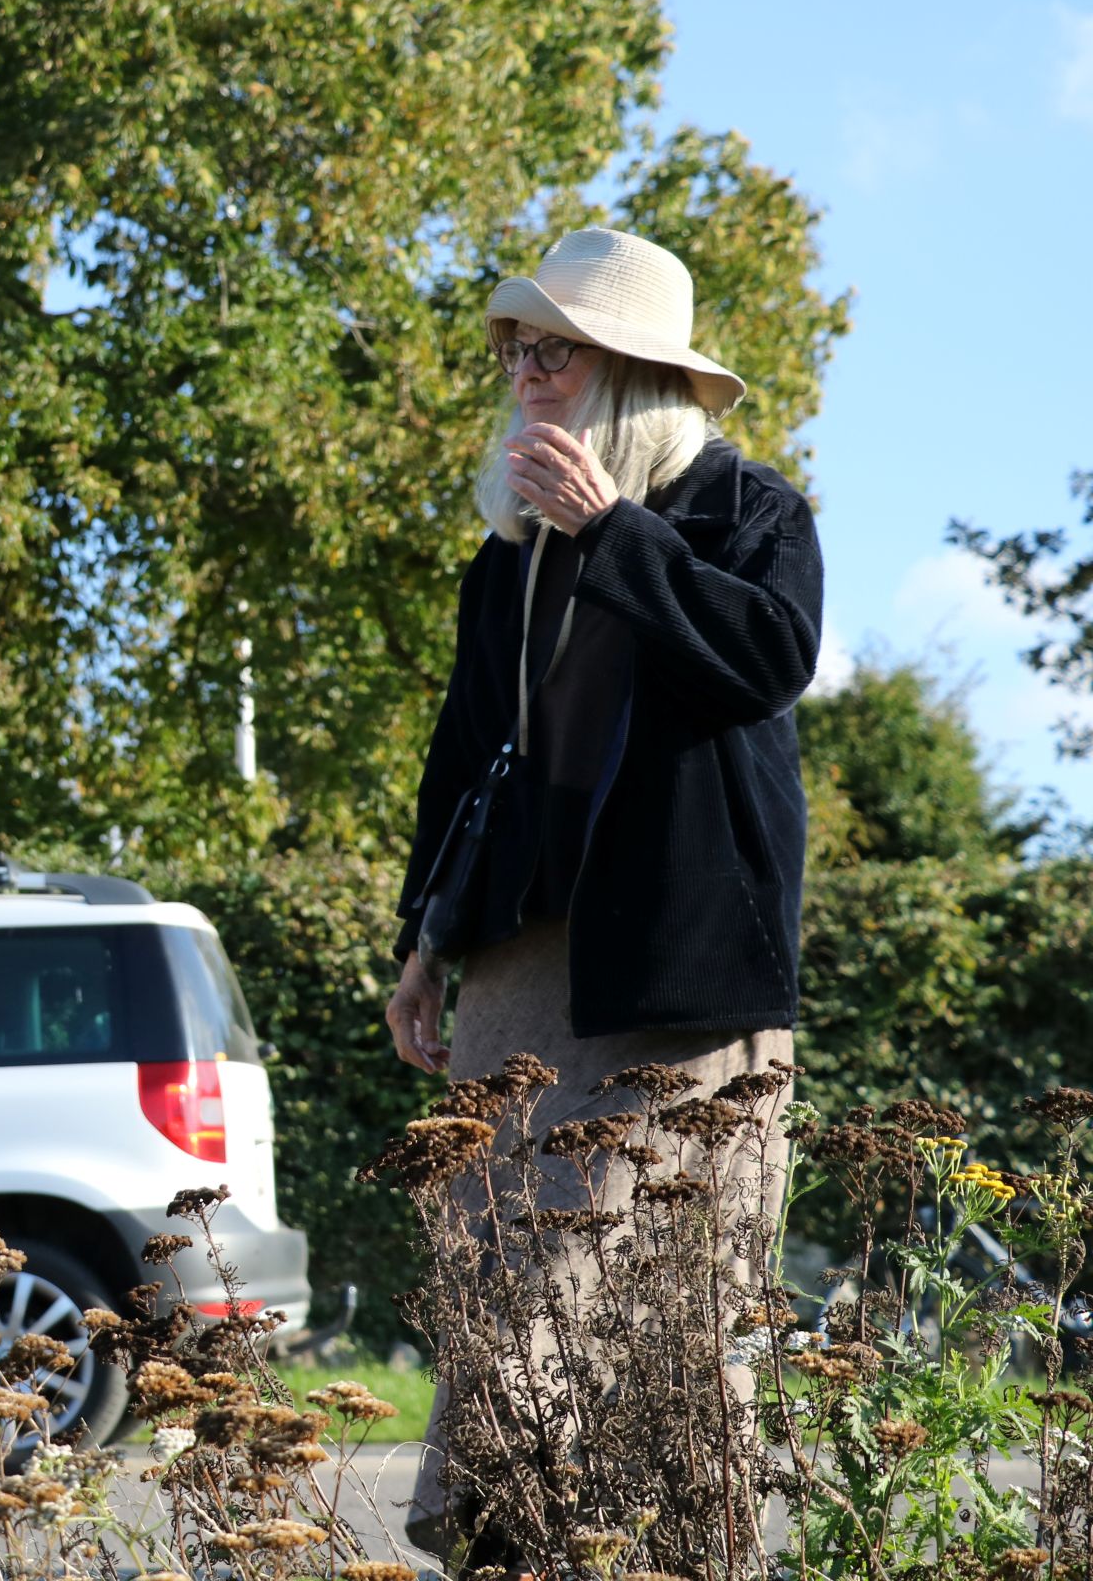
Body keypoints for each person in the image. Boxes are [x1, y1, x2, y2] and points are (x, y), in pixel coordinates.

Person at [383, 228, 820, 1559]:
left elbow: (769, 659)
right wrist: (423, 941)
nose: (522, 370)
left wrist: (616, 533)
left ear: (629, 374)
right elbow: (463, 759)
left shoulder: (752, 514)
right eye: (513, 348)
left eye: (552, 349)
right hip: (523, 975)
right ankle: (512, 1553)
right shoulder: (506, 560)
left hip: (682, 990)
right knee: (501, 1300)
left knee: (667, 1315)